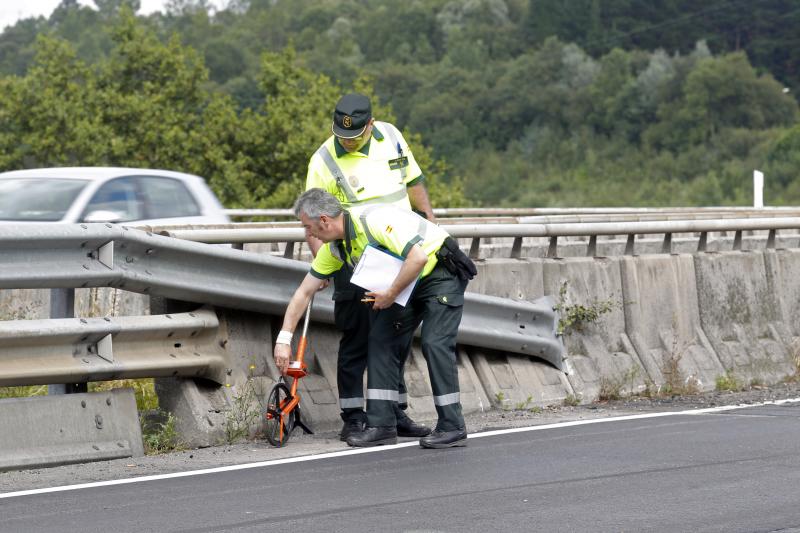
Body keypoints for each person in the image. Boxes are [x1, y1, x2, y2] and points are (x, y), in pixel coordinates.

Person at [274, 188, 476, 449]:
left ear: (324, 220)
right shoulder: (335, 249)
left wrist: (390, 294)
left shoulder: (373, 221)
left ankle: (452, 425)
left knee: (434, 342)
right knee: (381, 340)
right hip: (405, 282)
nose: (309, 234)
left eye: (308, 227)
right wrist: (283, 339)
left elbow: (418, 258)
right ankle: (381, 426)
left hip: (439, 273)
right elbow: (304, 293)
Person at [303, 93, 434, 441]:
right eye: (341, 135)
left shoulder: (390, 136)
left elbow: (414, 183)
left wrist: (430, 224)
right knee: (357, 338)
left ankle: (394, 412)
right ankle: (353, 416)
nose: (347, 141)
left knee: (395, 337)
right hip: (354, 261)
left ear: (371, 125)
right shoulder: (323, 160)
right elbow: (314, 220)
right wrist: (323, 264)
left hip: (398, 256)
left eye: (354, 135)